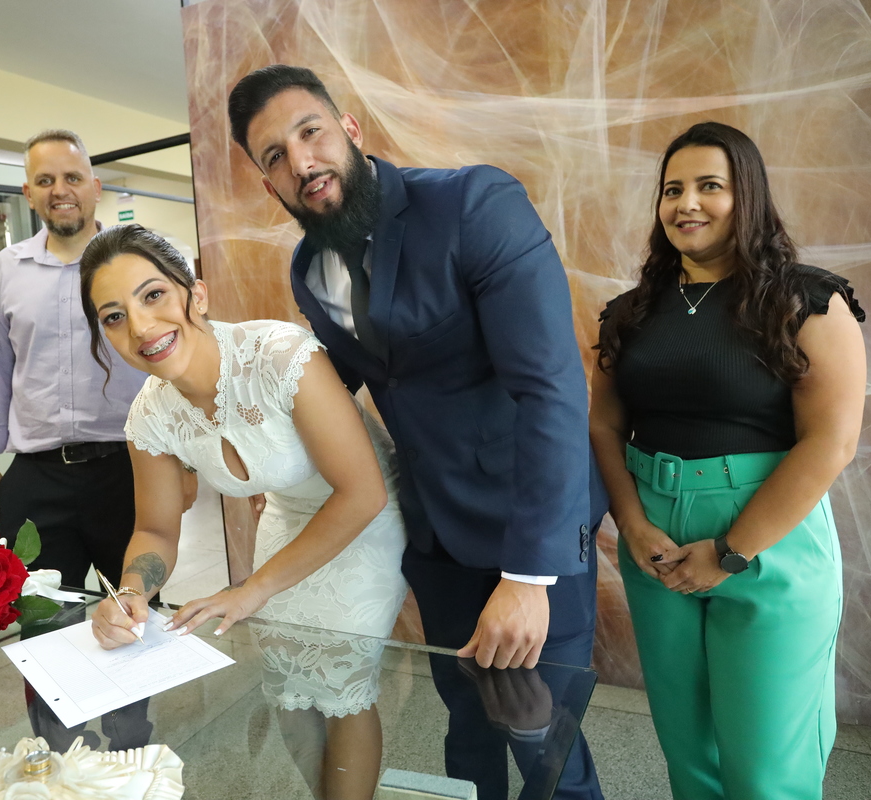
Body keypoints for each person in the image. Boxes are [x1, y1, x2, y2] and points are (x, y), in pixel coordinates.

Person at [227, 65, 608, 800]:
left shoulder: (474, 205)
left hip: (530, 525)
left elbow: (552, 390)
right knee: (466, 728)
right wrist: (265, 459)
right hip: (435, 537)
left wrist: (529, 578)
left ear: (350, 129)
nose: (301, 161)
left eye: (310, 132)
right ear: (268, 183)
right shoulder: (308, 270)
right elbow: (332, 394)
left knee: (546, 743)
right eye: (275, 155)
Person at [589, 121, 866, 800]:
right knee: (691, 757)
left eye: (709, 186)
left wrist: (732, 550)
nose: (687, 203)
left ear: (747, 196)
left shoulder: (807, 302)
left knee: (765, 771)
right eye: (672, 189)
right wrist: (631, 523)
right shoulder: (630, 312)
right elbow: (604, 422)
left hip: (767, 537)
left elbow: (831, 442)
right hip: (655, 539)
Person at [82, 224, 408, 800]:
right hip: (289, 513)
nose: (141, 327)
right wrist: (131, 590)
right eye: (113, 316)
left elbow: (363, 494)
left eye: (153, 295)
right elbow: (155, 528)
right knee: (288, 682)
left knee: (340, 680)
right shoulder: (150, 415)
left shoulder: (280, 354)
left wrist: (251, 589)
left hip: (370, 510)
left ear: (197, 294)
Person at [0, 129, 153, 751]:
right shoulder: (6, 270)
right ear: (29, 193)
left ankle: (131, 748)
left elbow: (171, 361)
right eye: (45, 180)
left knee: (130, 612)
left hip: (129, 469)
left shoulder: (137, 260)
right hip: (37, 477)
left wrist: (180, 463)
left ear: (95, 186)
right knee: (43, 623)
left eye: (72, 177)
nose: (60, 190)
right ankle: (56, 753)